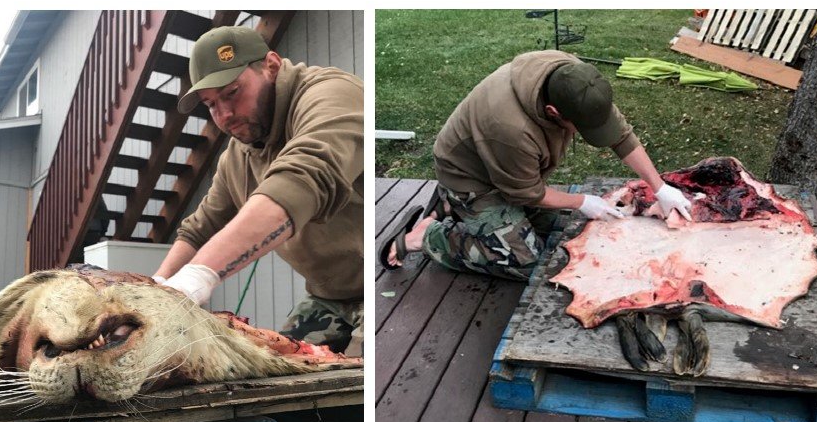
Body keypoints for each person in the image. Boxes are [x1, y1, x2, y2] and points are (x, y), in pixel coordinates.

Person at [381, 49, 692, 281]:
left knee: (556, 229)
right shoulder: (510, 129)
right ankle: (430, 235)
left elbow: (621, 135)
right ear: (553, 111)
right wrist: (581, 201)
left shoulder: (573, 78)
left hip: (506, 167)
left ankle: (450, 207)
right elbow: (525, 192)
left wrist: (660, 187)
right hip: (473, 180)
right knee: (527, 259)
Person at [154, 26, 364, 357]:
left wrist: (198, 277)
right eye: (210, 105)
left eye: (232, 92)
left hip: (382, 278)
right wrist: (156, 291)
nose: (223, 115)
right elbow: (201, 227)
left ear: (272, 65)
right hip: (329, 295)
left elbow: (304, 177)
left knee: (361, 384)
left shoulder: (332, 94)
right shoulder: (238, 155)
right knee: (283, 374)